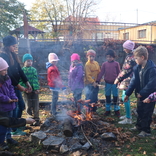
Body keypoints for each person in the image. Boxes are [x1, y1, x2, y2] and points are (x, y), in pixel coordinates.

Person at [0, 35, 32, 136]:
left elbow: (19, 69)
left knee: (20, 105)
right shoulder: (4, 56)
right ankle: (12, 130)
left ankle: (15, 127)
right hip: (10, 86)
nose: (15, 48)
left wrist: (27, 82)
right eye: (13, 46)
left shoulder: (13, 54)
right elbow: (8, 74)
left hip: (15, 86)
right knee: (13, 109)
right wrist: (19, 86)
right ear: (8, 46)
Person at [124, 46, 156, 137]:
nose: (135, 60)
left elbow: (152, 84)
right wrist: (127, 94)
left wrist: (142, 93)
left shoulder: (152, 69)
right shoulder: (137, 68)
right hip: (140, 95)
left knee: (147, 112)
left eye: (136, 58)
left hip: (149, 96)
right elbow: (134, 81)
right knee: (140, 110)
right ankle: (139, 126)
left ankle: (146, 130)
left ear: (142, 57)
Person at [114, 40, 136, 124]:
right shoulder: (130, 55)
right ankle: (128, 115)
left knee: (125, 97)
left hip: (129, 79)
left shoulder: (131, 58)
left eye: (125, 48)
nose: (124, 49)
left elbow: (126, 70)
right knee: (125, 97)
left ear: (128, 48)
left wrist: (118, 78)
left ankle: (128, 118)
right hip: (127, 79)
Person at [0, 57, 18, 150]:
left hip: (10, 106)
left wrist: (13, 96)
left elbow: (11, 88)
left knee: (9, 123)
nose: (6, 72)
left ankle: (9, 138)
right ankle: (1, 142)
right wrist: (7, 99)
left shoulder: (7, 78)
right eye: (4, 70)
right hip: (2, 108)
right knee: (3, 125)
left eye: (6, 70)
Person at [97, 49, 120, 117]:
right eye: (107, 57)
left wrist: (120, 81)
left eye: (110, 57)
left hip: (115, 83)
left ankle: (116, 110)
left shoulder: (116, 64)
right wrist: (98, 80)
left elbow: (119, 73)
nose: (109, 58)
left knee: (115, 96)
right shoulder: (104, 64)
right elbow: (101, 73)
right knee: (107, 96)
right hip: (107, 83)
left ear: (113, 57)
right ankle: (108, 109)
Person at [20, 54, 40, 126]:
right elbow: (21, 81)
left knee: (36, 105)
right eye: (28, 61)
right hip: (26, 92)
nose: (30, 62)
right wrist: (25, 89)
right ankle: (30, 120)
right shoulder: (22, 70)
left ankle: (37, 119)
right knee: (28, 105)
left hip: (34, 92)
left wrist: (36, 88)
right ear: (24, 62)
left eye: (31, 61)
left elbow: (35, 80)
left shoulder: (34, 70)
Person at [46, 53, 64, 117]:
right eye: (55, 61)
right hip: (54, 86)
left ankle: (52, 110)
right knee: (55, 98)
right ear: (52, 61)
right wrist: (62, 86)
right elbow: (56, 79)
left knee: (55, 98)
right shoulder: (52, 69)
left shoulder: (53, 67)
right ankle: (53, 112)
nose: (56, 62)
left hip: (54, 86)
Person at [84, 49, 100, 113]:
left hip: (96, 83)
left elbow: (99, 72)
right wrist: (93, 82)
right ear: (87, 56)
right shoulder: (87, 65)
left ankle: (94, 110)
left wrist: (97, 81)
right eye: (90, 56)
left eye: (92, 56)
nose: (91, 58)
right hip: (89, 84)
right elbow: (88, 76)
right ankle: (88, 111)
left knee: (95, 97)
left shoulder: (96, 63)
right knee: (89, 97)